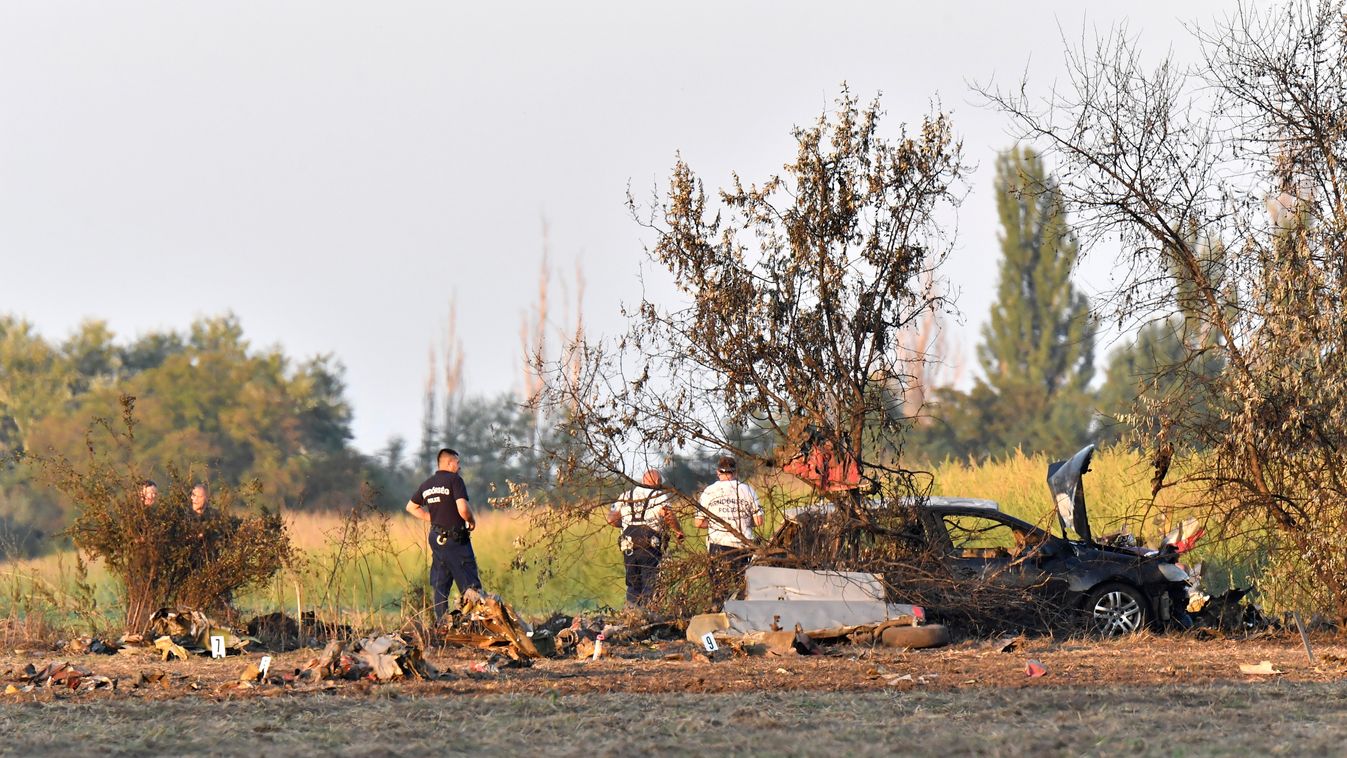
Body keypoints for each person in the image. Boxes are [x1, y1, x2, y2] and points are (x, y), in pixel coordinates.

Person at [405, 448, 483, 621]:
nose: (459, 466)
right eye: (458, 462)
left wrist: (430, 517)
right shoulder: (455, 480)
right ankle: (476, 624)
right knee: (470, 584)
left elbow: (410, 507)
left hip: (436, 537)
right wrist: (471, 520)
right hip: (455, 539)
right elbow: (462, 508)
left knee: (441, 583)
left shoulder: (427, 484)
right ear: (449, 463)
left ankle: (441, 625)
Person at [607, 468, 685, 609]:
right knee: (650, 583)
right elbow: (668, 515)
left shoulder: (625, 495)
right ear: (657, 482)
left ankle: (632, 615)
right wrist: (678, 531)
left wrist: (625, 524)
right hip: (649, 548)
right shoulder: (658, 496)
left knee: (633, 584)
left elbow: (611, 519)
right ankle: (648, 616)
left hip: (629, 547)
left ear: (643, 481)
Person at [695, 456, 763, 602]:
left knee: (720, 590)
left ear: (718, 472)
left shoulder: (709, 491)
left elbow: (698, 523)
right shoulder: (747, 490)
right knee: (744, 590)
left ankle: (721, 618)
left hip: (718, 546)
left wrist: (716, 522)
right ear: (735, 472)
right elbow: (759, 521)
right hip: (744, 545)